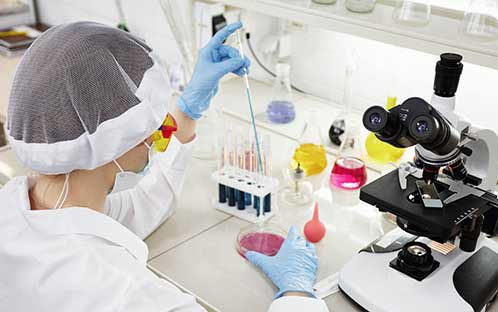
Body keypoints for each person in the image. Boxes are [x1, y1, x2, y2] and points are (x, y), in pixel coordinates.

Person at [0, 21, 329, 311]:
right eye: (150, 120)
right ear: (114, 139)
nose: (160, 128)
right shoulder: (124, 293)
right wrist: (298, 295)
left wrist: (187, 112)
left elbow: (134, 209)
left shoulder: (17, 206)